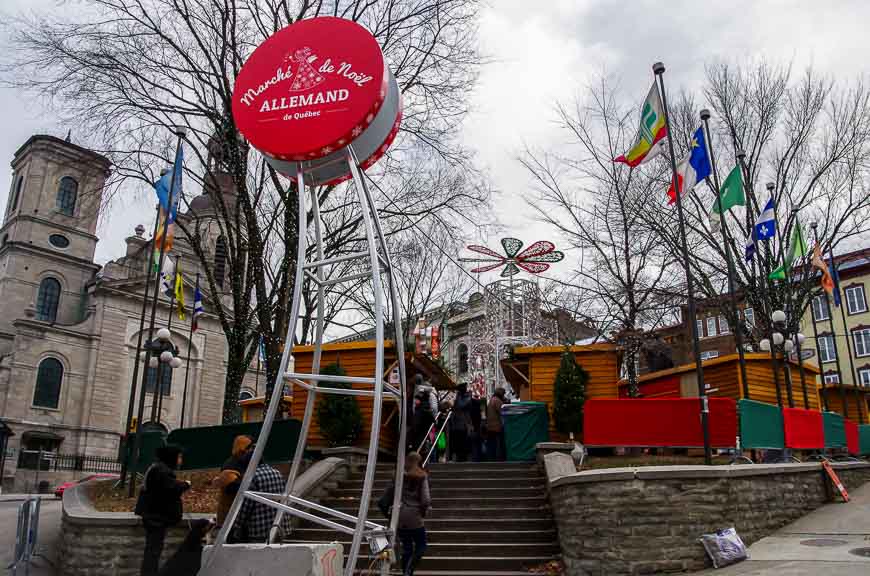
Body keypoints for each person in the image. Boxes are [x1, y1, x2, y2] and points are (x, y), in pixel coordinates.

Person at [135, 444, 191, 576]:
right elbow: (171, 488)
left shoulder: (159, 469)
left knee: (153, 550)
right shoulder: (161, 471)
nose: (180, 460)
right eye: (179, 457)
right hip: (155, 518)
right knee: (153, 551)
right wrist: (186, 484)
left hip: (155, 516)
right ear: (171, 458)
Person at [378, 452, 430, 576]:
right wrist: (422, 512)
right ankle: (409, 571)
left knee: (407, 548)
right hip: (415, 516)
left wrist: (389, 516)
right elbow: (426, 500)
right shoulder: (422, 477)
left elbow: (383, 500)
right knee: (421, 545)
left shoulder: (398, 477)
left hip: (400, 517)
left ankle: (405, 572)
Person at [233, 457, 291, 543]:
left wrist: (237, 525)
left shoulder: (252, 477)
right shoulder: (277, 473)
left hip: (260, 529)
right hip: (280, 526)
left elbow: (246, 505)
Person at [212, 435, 253, 532]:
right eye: (250, 447)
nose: (251, 451)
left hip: (238, 514)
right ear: (242, 448)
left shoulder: (243, 462)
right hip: (230, 514)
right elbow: (231, 488)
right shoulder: (231, 465)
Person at [449, 383, 472, 462]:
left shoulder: (465, 397)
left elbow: (461, 405)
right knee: (458, 442)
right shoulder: (459, 397)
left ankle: (463, 457)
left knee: (463, 442)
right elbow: (458, 406)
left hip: (463, 424)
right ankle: (459, 457)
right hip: (457, 424)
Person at [486, 387, 508, 461]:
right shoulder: (497, 401)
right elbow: (503, 411)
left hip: (490, 426)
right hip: (496, 426)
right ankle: (498, 458)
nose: (504, 395)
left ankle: (491, 458)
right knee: (498, 443)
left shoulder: (492, 400)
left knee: (491, 443)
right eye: (503, 394)